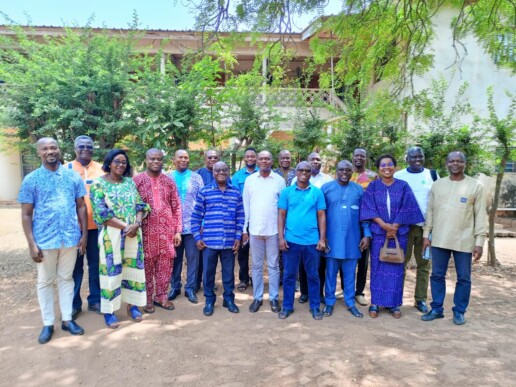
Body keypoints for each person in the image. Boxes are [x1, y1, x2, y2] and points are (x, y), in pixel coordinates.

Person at [18, 137, 87, 344]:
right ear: (39, 152)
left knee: (67, 279)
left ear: (59, 150)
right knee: (45, 282)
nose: (50, 151)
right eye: (45, 148)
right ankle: (48, 323)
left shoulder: (72, 177)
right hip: (45, 240)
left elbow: (81, 206)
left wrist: (83, 234)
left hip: (70, 238)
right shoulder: (31, 179)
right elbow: (26, 214)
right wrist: (31, 244)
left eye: (53, 147)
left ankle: (67, 320)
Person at [422, 151, 487, 325]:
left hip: (464, 240)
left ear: (465, 163)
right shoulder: (438, 185)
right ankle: (436, 308)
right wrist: (426, 235)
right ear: (447, 163)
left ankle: (459, 311)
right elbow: (430, 212)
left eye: (459, 161)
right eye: (452, 161)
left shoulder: (476, 186)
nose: (455, 164)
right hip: (439, 239)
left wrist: (479, 242)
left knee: (464, 278)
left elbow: (480, 215)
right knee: (436, 275)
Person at [90, 149, 150, 329]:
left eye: (124, 162)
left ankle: (133, 306)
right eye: (117, 161)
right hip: (112, 236)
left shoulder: (130, 183)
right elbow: (101, 214)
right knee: (111, 273)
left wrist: (137, 223)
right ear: (109, 163)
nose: (121, 165)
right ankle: (109, 311)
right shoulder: (98, 184)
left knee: (133, 270)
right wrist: (126, 227)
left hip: (133, 235)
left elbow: (140, 205)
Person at [360, 154, 424, 319]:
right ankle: (375, 302)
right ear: (378, 169)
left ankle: (394, 304)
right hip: (379, 233)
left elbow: (409, 208)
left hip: (399, 234)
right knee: (377, 267)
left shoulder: (403, 186)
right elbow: (369, 208)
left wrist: (394, 226)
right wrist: (384, 225)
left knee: (396, 269)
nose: (386, 167)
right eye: (383, 165)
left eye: (390, 164)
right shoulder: (373, 187)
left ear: (395, 167)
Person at [191, 161, 245, 316]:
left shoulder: (235, 192)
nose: (221, 172)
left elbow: (240, 216)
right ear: (213, 172)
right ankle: (209, 300)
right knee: (208, 273)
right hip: (209, 241)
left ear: (228, 172)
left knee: (228, 272)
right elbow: (195, 217)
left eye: (224, 170)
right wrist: (197, 237)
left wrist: (237, 236)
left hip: (229, 241)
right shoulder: (205, 191)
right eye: (218, 170)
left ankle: (229, 299)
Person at [134, 149, 182, 313]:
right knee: (146, 266)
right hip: (145, 232)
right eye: (152, 159)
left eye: (159, 159)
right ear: (146, 160)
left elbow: (176, 207)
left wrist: (177, 231)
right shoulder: (137, 181)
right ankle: (147, 299)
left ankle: (161, 297)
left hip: (166, 232)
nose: (156, 162)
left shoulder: (169, 182)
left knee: (165, 266)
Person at [321, 160, 371, 318]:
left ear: (352, 172)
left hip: (352, 240)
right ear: (336, 171)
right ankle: (329, 302)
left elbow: (364, 215)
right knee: (330, 273)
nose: (344, 173)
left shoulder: (358, 190)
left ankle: (350, 302)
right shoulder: (326, 189)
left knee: (350, 274)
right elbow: (320, 215)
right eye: (341, 170)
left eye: (348, 170)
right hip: (332, 239)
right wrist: (321, 237)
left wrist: (366, 234)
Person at [278, 161, 327, 320]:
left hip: (312, 242)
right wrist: (281, 237)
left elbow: (321, 216)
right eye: (301, 170)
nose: (304, 172)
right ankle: (287, 306)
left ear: (311, 172)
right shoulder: (287, 192)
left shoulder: (317, 192)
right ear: (296, 172)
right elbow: (281, 215)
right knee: (289, 275)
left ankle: (314, 307)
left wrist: (322, 239)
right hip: (291, 241)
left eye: (307, 170)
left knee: (313, 275)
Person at [394, 146, 438, 313]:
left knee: (424, 265)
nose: (417, 159)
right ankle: (396, 299)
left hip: (425, 229)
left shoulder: (432, 175)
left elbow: (436, 201)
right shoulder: (398, 176)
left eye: (420, 156)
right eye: (413, 157)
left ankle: (420, 299)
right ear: (407, 159)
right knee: (400, 264)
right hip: (403, 228)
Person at [243, 151, 285, 313]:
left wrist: (282, 232)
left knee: (274, 266)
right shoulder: (250, 180)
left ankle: (274, 298)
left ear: (272, 161)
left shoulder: (279, 181)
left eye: (267, 158)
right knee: (256, 266)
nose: (264, 161)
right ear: (258, 161)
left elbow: (283, 208)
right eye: (261, 159)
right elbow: (246, 205)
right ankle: (257, 297)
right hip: (254, 230)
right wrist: (244, 228)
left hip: (273, 230)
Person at [67, 135, 104, 320]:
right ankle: (74, 304)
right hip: (73, 229)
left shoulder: (101, 168)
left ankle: (95, 300)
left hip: (97, 227)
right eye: (81, 146)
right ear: (75, 148)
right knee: (75, 267)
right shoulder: (66, 169)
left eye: (89, 146)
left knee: (96, 265)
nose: (85, 148)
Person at [292, 152, 332, 304]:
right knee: (303, 262)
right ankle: (304, 292)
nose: (315, 162)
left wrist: (324, 233)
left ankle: (319, 293)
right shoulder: (296, 179)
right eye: (312, 159)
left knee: (319, 263)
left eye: (318, 159)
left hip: (320, 225)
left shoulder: (327, 179)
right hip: (302, 226)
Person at [167, 150, 204, 304]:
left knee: (193, 258)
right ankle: (175, 287)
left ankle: (190, 288)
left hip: (192, 226)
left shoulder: (197, 178)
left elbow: (202, 201)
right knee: (174, 259)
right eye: (180, 157)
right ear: (173, 160)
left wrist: (201, 225)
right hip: (172, 227)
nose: (183, 160)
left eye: (186, 157)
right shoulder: (167, 178)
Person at [194, 149, 231, 293]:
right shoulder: (199, 175)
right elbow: (197, 210)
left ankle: (229, 298)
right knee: (205, 266)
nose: (213, 159)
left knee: (227, 269)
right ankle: (202, 290)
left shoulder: (231, 187)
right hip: (208, 231)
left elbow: (235, 210)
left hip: (226, 235)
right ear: (205, 159)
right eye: (210, 157)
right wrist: (200, 229)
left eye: (216, 157)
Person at [350, 148, 378, 307]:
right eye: (357, 155)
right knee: (345, 258)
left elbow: (375, 200)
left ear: (366, 159)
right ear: (352, 157)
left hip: (365, 224)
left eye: (362, 155)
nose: (359, 158)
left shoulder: (372, 176)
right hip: (346, 224)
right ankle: (347, 289)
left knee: (363, 260)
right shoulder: (345, 172)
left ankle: (359, 291)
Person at [231, 147, 258, 292]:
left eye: (253, 156)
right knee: (243, 251)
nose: (250, 159)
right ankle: (243, 278)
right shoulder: (237, 176)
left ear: (256, 158)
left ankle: (256, 277)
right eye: (247, 156)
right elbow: (234, 196)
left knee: (257, 251)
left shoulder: (262, 173)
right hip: (242, 217)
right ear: (244, 158)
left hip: (258, 218)